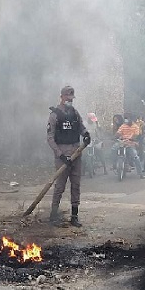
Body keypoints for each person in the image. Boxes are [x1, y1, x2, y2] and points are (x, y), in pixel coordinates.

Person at [46, 86, 91, 228]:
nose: (70, 100)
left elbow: (81, 127)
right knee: (59, 186)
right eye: (68, 98)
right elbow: (50, 138)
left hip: (76, 152)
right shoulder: (55, 115)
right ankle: (53, 215)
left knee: (76, 185)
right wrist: (60, 154)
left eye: (72, 98)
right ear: (62, 97)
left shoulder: (75, 113)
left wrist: (86, 134)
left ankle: (74, 216)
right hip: (62, 155)